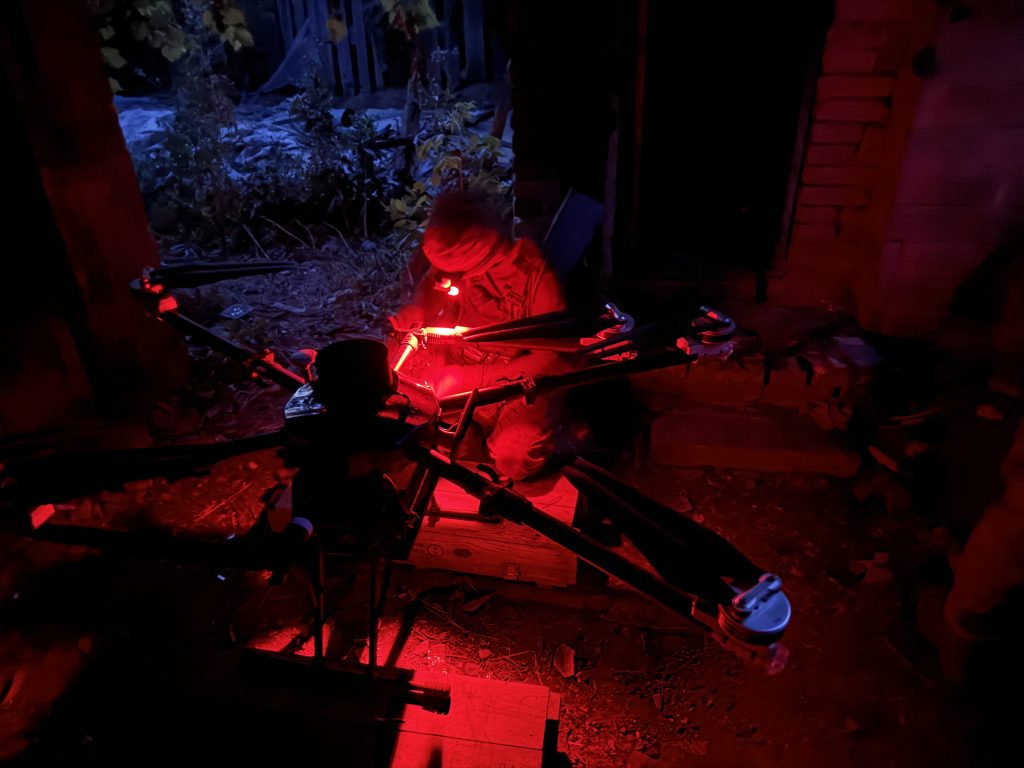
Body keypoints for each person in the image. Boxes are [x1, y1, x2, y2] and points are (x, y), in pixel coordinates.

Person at [390, 186, 567, 481]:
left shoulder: (538, 278)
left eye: (463, 272)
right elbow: (430, 289)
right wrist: (417, 310)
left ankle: (495, 445)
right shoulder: (459, 262)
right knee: (405, 406)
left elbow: (553, 361)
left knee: (515, 456)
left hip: (520, 388)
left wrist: (471, 379)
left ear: (488, 255)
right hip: (460, 370)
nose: (453, 279)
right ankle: (464, 443)